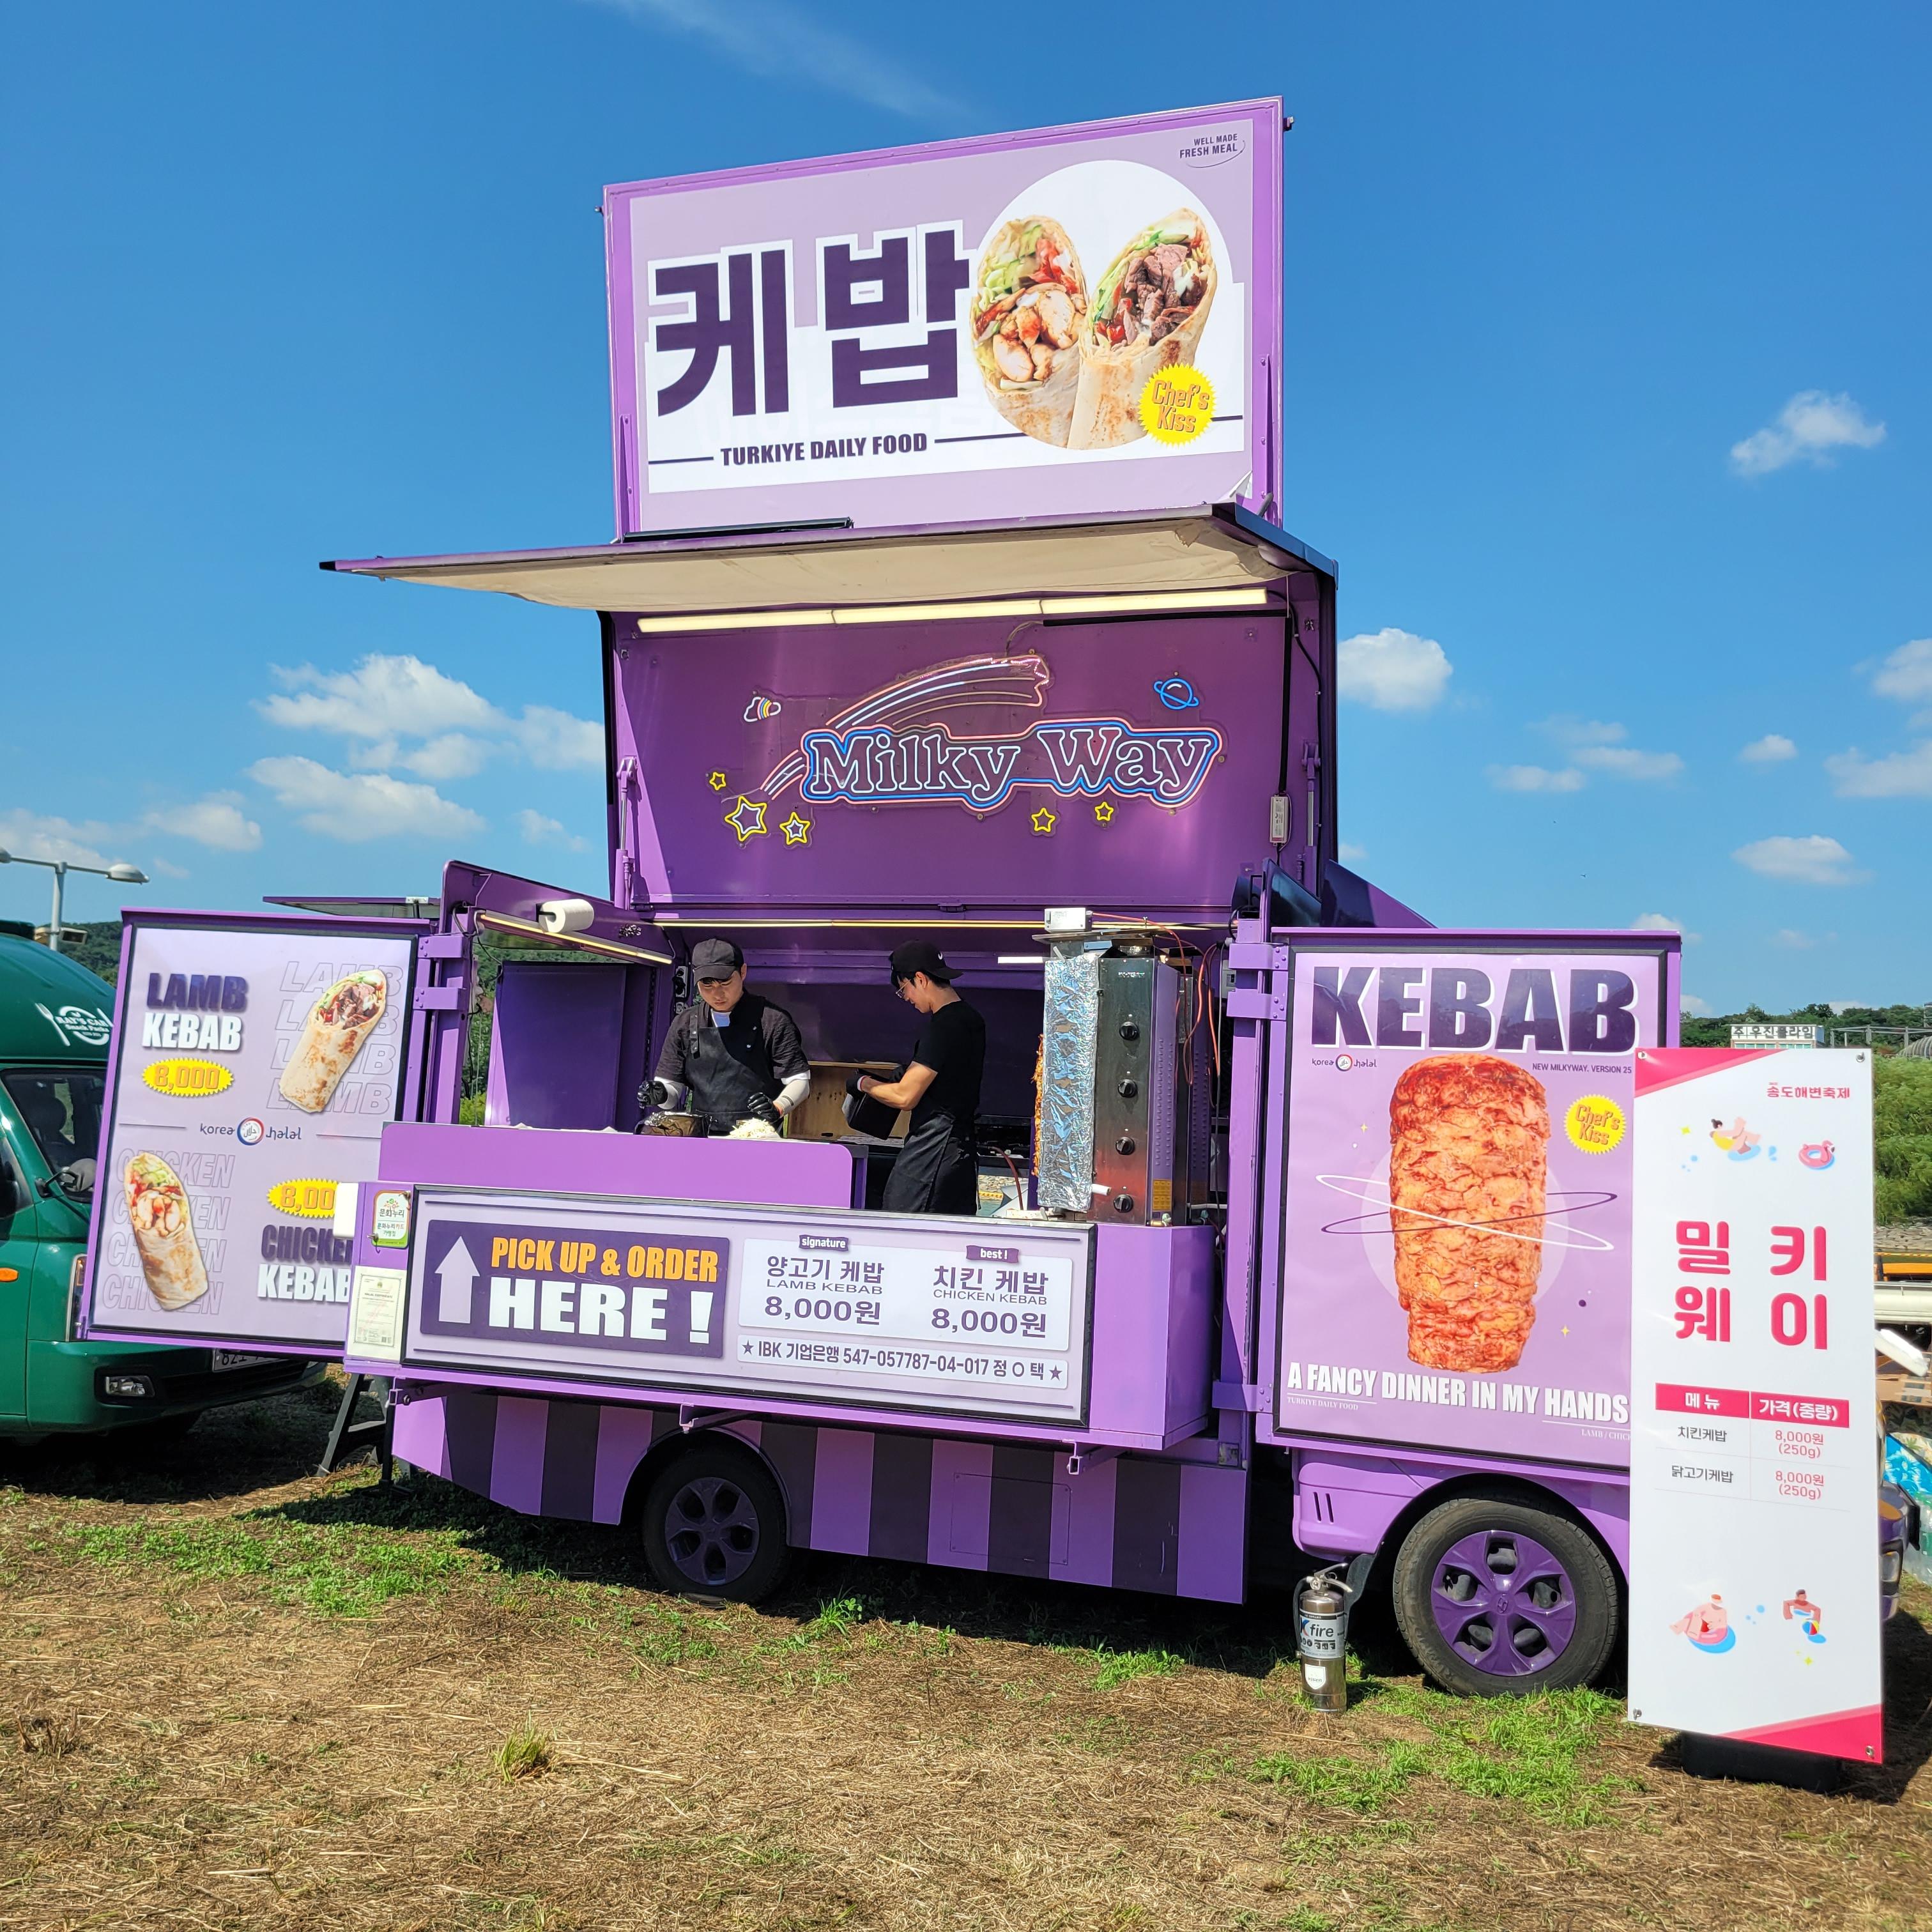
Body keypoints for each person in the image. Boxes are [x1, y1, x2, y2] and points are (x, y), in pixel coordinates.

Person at [853, 941, 985, 1215]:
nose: (907, 998)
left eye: (904, 989)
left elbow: (905, 1097)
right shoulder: (973, 1019)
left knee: (902, 1223)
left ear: (921, 979)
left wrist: (863, 1084)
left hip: (932, 1150)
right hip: (960, 1151)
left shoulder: (944, 1025)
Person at [641, 938, 811, 1137]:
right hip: (701, 1137)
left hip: (759, 1137)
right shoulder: (685, 1023)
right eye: (707, 985)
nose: (717, 994)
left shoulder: (773, 1020)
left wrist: (778, 1107)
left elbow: (800, 1082)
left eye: (725, 982)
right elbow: (671, 1092)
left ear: (743, 972)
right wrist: (660, 1094)